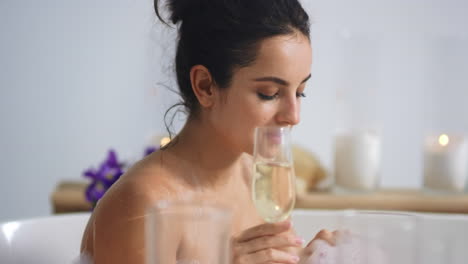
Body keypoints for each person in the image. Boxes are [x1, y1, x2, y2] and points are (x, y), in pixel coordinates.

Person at [80, 0, 337, 263]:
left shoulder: (260, 181)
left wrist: (306, 259)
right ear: (205, 86)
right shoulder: (146, 205)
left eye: (300, 92)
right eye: (268, 94)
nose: (294, 116)